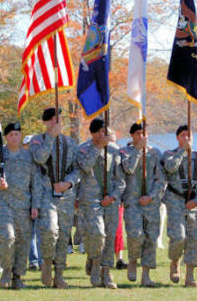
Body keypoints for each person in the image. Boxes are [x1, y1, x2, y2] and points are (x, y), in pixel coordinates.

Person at [0, 123, 41, 289]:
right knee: (6, 237)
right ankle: (6, 272)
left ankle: (17, 276)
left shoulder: (29, 156)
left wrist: (35, 206)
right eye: (11, 135)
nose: (14, 137)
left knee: (23, 242)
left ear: (20, 135)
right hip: (4, 204)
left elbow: (35, 182)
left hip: (24, 205)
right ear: (6, 137)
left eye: (17, 134)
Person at [30, 107, 78, 289]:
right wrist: (51, 137)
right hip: (45, 194)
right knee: (50, 230)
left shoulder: (70, 143)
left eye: (57, 119)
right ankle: (47, 263)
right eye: (51, 120)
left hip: (65, 196)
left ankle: (59, 274)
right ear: (45, 122)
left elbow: (77, 169)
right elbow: (39, 158)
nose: (55, 123)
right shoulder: (37, 140)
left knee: (64, 235)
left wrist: (68, 183)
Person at [76, 118, 125, 289]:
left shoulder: (114, 151)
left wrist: (112, 196)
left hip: (110, 200)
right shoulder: (82, 149)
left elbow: (120, 180)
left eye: (104, 131)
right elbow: (84, 166)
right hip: (90, 200)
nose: (102, 135)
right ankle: (95, 263)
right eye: (99, 132)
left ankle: (106, 271)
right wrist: (98, 148)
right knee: (96, 234)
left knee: (110, 236)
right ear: (93, 133)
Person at [161, 125, 197, 287]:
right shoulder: (169, 155)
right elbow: (170, 168)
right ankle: (174, 261)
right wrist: (182, 151)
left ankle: (190, 275)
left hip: (194, 203)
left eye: (189, 136)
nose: (186, 139)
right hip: (175, 201)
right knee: (178, 237)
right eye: (183, 136)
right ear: (177, 138)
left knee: (194, 239)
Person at [120, 123, 165, 287]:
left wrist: (152, 196)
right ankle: (132, 260)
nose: (142, 136)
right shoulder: (125, 152)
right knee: (135, 235)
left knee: (151, 239)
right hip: (133, 203)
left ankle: (146, 275)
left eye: (144, 133)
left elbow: (161, 179)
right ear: (132, 135)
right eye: (138, 133)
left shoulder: (155, 153)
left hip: (151, 204)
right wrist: (139, 149)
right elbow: (128, 169)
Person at [22, 135, 43, 271]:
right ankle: (34, 260)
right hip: (27, 200)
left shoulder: (41, 161)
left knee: (41, 231)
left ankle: (42, 260)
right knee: (30, 232)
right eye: (26, 145)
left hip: (41, 199)